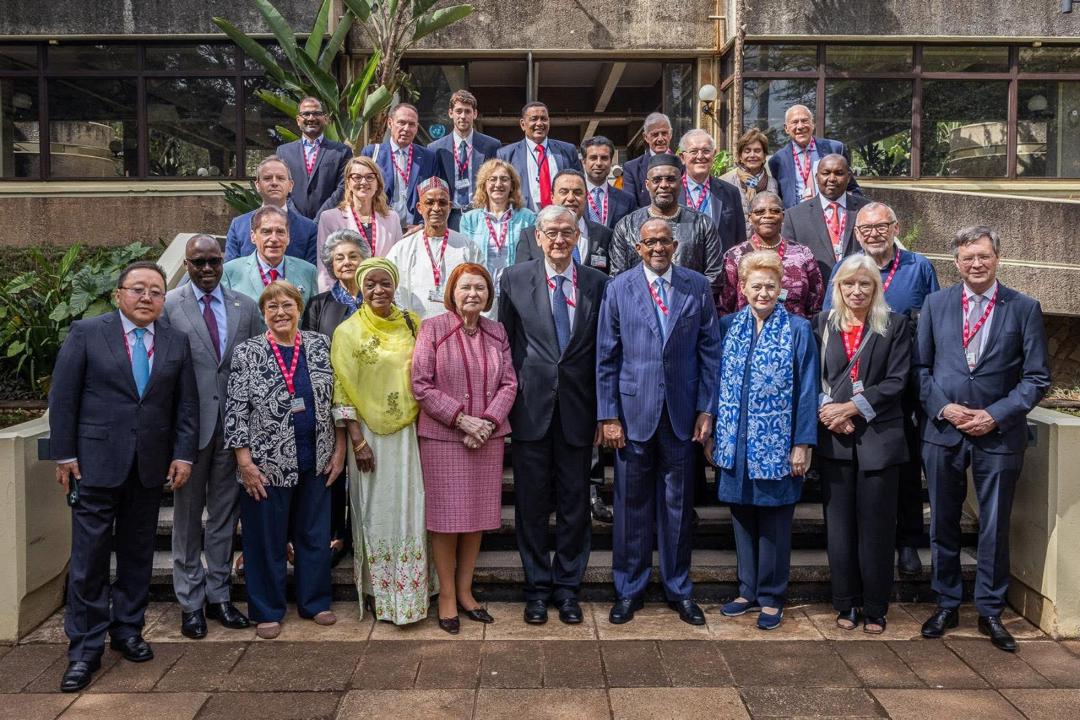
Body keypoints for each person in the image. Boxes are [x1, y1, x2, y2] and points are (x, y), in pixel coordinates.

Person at [50, 261, 198, 692]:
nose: (147, 297)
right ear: (119, 295)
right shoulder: (87, 333)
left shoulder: (176, 341)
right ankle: (84, 648)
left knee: (137, 556)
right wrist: (64, 454)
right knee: (89, 560)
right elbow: (63, 397)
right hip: (94, 465)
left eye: (155, 291)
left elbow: (185, 406)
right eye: (138, 289)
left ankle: (127, 630)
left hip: (149, 467)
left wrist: (184, 456)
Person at [916, 226, 1050, 652]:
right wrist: (944, 408)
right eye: (968, 257)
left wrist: (995, 414)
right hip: (943, 432)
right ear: (955, 263)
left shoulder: (1024, 308)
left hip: (998, 435)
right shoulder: (936, 304)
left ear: (997, 259)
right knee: (942, 522)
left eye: (984, 256)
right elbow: (920, 370)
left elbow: (1036, 377)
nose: (976, 264)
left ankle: (990, 610)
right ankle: (946, 601)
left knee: (994, 525)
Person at [597, 218, 721, 626]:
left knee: (677, 506)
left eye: (664, 241)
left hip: (683, 415)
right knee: (631, 508)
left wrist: (707, 408)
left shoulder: (696, 286)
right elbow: (607, 357)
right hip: (633, 415)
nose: (657, 248)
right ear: (638, 247)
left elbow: (709, 352)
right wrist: (609, 415)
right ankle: (629, 590)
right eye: (650, 242)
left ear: (675, 245)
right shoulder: (618, 288)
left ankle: (679, 589)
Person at [499, 205, 609, 625]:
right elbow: (504, 346)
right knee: (530, 505)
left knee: (575, 504)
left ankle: (568, 589)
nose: (560, 240)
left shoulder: (599, 283)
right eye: (552, 232)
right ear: (538, 237)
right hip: (531, 409)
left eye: (568, 232)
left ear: (578, 236)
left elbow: (604, 350)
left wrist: (605, 412)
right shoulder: (514, 278)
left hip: (580, 411)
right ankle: (536, 589)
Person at [224, 281, 345, 640]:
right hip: (266, 464)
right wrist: (244, 462)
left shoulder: (321, 346)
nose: (281, 312)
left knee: (313, 534)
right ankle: (266, 609)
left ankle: (315, 601)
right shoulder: (248, 352)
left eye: (287, 305)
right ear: (263, 313)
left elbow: (338, 401)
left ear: (299, 307)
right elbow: (235, 411)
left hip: (317, 458)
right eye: (272, 307)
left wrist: (339, 450)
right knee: (264, 539)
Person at [825, 202, 941, 578]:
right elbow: (831, 323)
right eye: (865, 229)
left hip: (901, 380)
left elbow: (934, 318)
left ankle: (907, 542)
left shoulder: (918, 267)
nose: (873, 234)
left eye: (881, 227)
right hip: (856, 384)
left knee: (902, 464)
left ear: (896, 227)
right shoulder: (849, 270)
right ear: (856, 234)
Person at [709, 251, 818, 631]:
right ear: (742, 288)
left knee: (774, 522)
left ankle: (772, 596)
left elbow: (807, 390)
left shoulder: (798, 329)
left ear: (782, 288)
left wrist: (802, 443)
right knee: (741, 518)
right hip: (736, 442)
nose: (763, 292)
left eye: (771, 285)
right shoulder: (728, 327)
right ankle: (746, 590)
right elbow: (715, 381)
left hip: (777, 443)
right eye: (756, 285)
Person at [164, 235, 263, 640]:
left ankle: (219, 595)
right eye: (198, 262)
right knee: (187, 519)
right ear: (186, 264)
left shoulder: (245, 305)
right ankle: (190, 602)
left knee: (224, 516)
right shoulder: (169, 306)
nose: (207, 269)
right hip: (190, 429)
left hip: (236, 429)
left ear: (224, 262)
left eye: (214, 262)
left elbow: (258, 363)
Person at [412, 263, 518, 633]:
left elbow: (509, 383)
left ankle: (466, 592)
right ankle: (445, 597)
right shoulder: (433, 329)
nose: (473, 294)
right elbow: (421, 384)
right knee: (445, 521)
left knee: (475, 518)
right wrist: (460, 420)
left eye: (480, 288)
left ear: (489, 295)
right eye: (465, 288)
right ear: (452, 293)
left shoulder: (497, 331)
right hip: (444, 437)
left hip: (485, 438)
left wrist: (487, 422)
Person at [330, 257, 432, 625]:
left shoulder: (411, 323)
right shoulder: (348, 332)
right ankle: (380, 592)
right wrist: (356, 441)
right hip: (369, 436)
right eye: (369, 284)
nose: (378, 290)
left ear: (395, 285)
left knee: (413, 510)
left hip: (411, 432)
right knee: (376, 512)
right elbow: (341, 389)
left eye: (384, 283)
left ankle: (415, 591)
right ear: (359, 287)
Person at [814, 255, 911, 634]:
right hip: (834, 439)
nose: (857, 291)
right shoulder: (822, 325)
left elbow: (897, 380)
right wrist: (828, 411)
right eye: (848, 284)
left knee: (877, 528)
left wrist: (852, 408)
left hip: (879, 440)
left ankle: (875, 605)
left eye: (865, 284)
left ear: (876, 287)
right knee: (839, 528)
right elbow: (814, 376)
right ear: (837, 288)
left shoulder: (895, 326)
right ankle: (845, 603)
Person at [301, 229, 372, 565]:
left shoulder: (377, 301)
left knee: (367, 474)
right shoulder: (318, 305)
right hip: (328, 402)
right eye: (339, 257)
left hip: (371, 405)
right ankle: (334, 538)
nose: (346, 262)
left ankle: (364, 537)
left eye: (352, 256)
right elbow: (310, 355)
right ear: (329, 264)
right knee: (332, 472)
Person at [610, 154, 724, 304]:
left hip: (690, 310)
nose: (664, 185)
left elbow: (714, 276)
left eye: (670, 179)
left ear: (681, 182)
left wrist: (684, 303)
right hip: (640, 310)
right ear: (647, 184)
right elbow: (618, 277)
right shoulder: (626, 226)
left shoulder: (702, 224)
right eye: (657, 180)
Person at [386, 176, 482, 319]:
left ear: (449, 207)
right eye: (429, 203)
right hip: (416, 330)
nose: (436, 208)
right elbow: (391, 289)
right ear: (419, 208)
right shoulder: (402, 249)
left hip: (459, 330)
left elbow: (482, 288)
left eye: (442, 203)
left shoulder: (467, 246)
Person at [719, 191, 823, 319]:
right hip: (749, 334)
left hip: (794, 334)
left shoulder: (802, 254)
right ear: (750, 218)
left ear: (783, 216)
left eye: (774, 211)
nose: (768, 216)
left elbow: (816, 303)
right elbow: (724, 307)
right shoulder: (735, 256)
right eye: (760, 212)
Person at [357, 102, 455, 230]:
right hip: (381, 228)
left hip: (416, 230)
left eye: (412, 124)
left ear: (416, 127)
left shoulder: (428, 157)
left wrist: (422, 225)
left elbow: (438, 194)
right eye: (401, 123)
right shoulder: (371, 154)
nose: (406, 128)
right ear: (390, 123)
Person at [458, 159, 536, 312]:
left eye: (504, 179)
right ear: (484, 185)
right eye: (492, 179)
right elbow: (465, 260)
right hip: (482, 295)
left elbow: (534, 259)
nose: (498, 184)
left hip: (517, 293)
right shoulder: (469, 219)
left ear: (512, 185)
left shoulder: (528, 218)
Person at [315, 155, 403, 291]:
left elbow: (399, 263)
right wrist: (330, 299)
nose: (363, 182)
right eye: (357, 177)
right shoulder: (329, 218)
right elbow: (324, 267)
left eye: (370, 177)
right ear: (348, 183)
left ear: (377, 182)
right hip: (346, 295)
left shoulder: (392, 218)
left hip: (382, 295)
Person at [781, 154, 870, 284]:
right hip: (816, 296)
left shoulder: (867, 209)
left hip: (858, 291)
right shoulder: (794, 216)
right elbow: (789, 264)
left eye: (839, 173)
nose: (832, 179)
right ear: (817, 178)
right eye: (826, 173)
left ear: (849, 177)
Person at [515, 169, 613, 275]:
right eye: (564, 192)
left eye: (577, 192)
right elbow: (522, 279)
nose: (570, 198)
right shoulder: (530, 236)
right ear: (552, 197)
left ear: (586, 198)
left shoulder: (605, 235)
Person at [224, 155, 318, 265]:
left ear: (290, 185)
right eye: (267, 178)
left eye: (280, 178)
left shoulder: (309, 229)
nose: (274, 183)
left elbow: (310, 275)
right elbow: (230, 272)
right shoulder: (239, 226)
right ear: (257, 185)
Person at [768, 104, 860, 209]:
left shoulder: (835, 149)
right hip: (797, 218)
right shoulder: (777, 160)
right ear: (786, 128)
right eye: (794, 122)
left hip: (831, 214)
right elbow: (779, 198)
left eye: (805, 121)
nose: (800, 126)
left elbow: (853, 188)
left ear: (813, 124)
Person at [222, 205, 318, 304]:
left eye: (280, 232)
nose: (274, 239)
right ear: (253, 236)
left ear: (288, 237)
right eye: (266, 232)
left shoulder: (308, 272)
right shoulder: (230, 272)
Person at [496, 101, 583, 211]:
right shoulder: (506, 154)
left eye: (544, 119)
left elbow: (580, 186)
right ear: (523, 124)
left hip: (560, 219)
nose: (539, 123)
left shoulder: (568, 150)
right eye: (534, 119)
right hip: (523, 218)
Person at [276, 97, 354, 220]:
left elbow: (343, 187)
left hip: (330, 222)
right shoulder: (283, 152)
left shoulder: (341, 151)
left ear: (326, 119)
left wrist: (321, 218)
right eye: (306, 114)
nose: (311, 118)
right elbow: (280, 186)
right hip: (293, 223)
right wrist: (299, 220)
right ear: (298, 120)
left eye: (317, 113)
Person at [427, 89, 502, 212]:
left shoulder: (492, 146)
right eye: (458, 111)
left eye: (467, 111)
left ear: (475, 114)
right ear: (451, 113)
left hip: (480, 214)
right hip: (448, 215)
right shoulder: (435, 149)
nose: (463, 116)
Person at [676, 128, 747, 253]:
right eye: (693, 151)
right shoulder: (671, 192)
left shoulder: (730, 192)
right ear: (682, 157)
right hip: (682, 267)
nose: (700, 156)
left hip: (720, 267)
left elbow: (740, 239)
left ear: (713, 155)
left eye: (706, 151)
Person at [720, 128, 778, 240]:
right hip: (737, 244)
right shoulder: (727, 183)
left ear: (764, 155)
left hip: (767, 243)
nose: (752, 155)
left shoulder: (773, 183)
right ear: (740, 156)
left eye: (757, 151)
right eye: (747, 151)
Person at [580, 135, 635, 228]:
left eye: (604, 158)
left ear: (610, 161)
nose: (598, 163)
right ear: (584, 162)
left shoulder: (627, 200)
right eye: (593, 158)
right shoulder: (572, 198)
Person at [622, 112, 673, 208]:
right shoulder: (632, 168)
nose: (660, 138)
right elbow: (630, 205)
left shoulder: (683, 165)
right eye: (655, 134)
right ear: (646, 137)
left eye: (664, 133)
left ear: (670, 134)